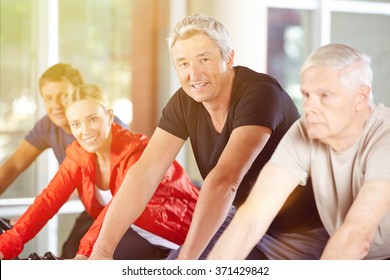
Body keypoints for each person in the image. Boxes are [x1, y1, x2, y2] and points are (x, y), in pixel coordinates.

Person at [89, 14, 328, 260]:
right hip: (245, 219)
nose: (194, 74)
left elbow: (225, 180)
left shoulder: (261, 94)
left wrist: (187, 264)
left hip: (299, 231)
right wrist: (102, 251)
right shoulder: (185, 101)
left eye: (204, 59)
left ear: (229, 58)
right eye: (183, 63)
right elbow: (145, 173)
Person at [207, 43, 390, 260]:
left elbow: (356, 235)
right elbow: (252, 217)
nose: (310, 107)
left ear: (361, 97)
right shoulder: (306, 130)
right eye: (307, 95)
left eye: (325, 96)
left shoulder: (384, 137)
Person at [0, 83, 199, 260]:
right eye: (76, 124)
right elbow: (47, 201)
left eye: (93, 119)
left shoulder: (136, 153)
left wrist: (85, 252)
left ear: (110, 116)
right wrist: (6, 246)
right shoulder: (79, 155)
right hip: (144, 235)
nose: (85, 131)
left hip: (189, 234)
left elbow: (116, 207)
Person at [0, 63, 127, 259]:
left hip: (126, 209)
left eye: (62, 96)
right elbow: (14, 165)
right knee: (68, 252)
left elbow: (71, 188)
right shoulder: (49, 125)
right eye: (48, 98)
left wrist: (26, 221)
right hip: (95, 208)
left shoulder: (104, 130)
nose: (56, 105)